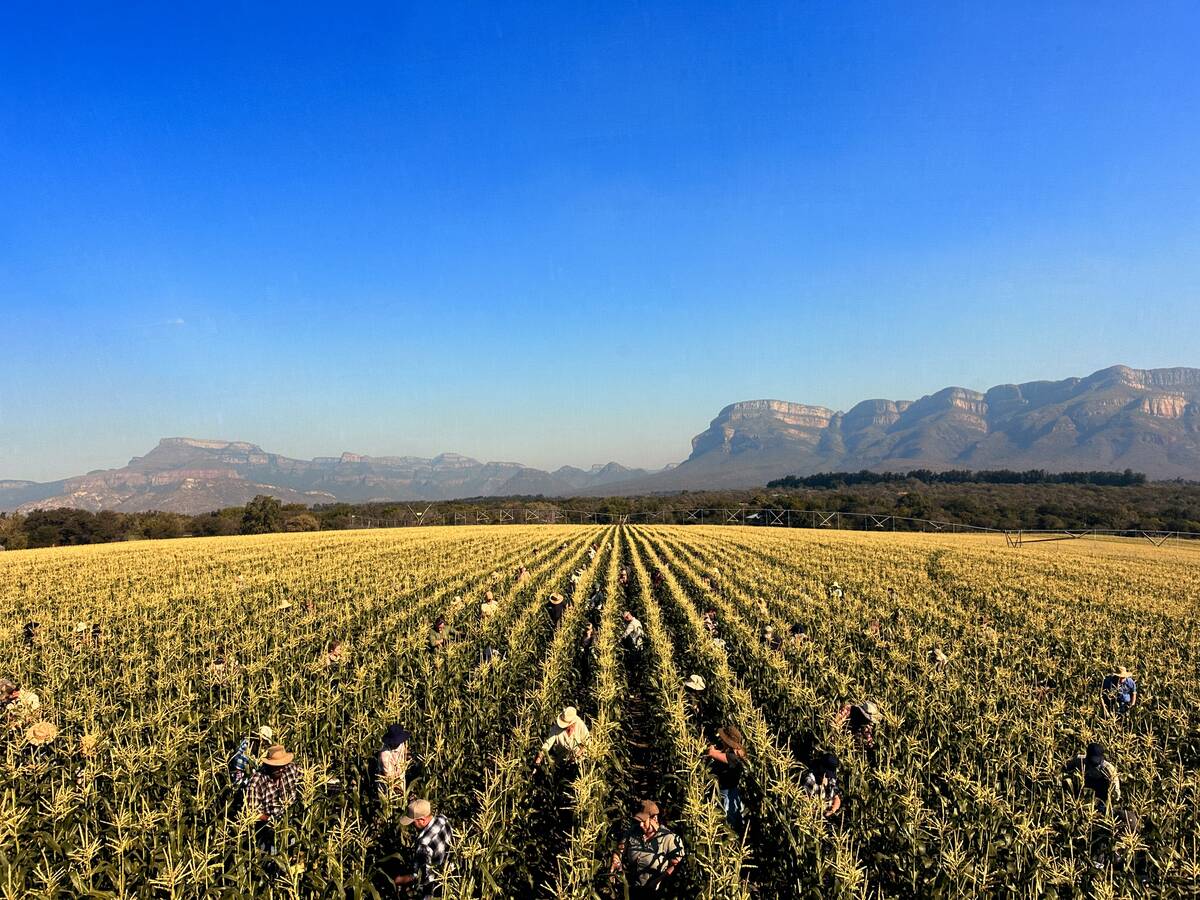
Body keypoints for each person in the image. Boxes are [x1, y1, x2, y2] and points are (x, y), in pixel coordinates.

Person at [610, 800, 687, 898]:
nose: (640, 825)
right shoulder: (632, 832)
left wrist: (658, 880)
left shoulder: (669, 838)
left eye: (644, 821)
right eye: (639, 821)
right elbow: (619, 851)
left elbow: (675, 866)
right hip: (632, 889)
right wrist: (615, 861)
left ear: (654, 818)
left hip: (656, 892)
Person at [394, 798, 453, 899]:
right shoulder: (443, 819)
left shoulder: (423, 844)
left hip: (434, 890)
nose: (412, 826)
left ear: (422, 819)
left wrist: (400, 880)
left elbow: (421, 877)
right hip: (451, 877)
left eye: (413, 822)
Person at [247, 744, 302, 852]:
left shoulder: (291, 768)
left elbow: (308, 779)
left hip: (291, 828)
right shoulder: (257, 781)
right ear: (268, 765)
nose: (280, 769)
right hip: (269, 831)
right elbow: (252, 812)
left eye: (282, 765)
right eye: (276, 766)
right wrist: (271, 820)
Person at [706, 725, 747, 831]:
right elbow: (720, 753)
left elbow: (712, 753)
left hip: (727, 796)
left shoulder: (731, 757)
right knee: (737, 821)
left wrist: (711, 746)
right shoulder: (734, 754)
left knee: (729, 825)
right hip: (733, 792)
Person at [1064, 743, 1121, 814]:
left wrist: (1112, 802)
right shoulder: (1079, 760)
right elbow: (1066, 768)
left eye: (1096, 763)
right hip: (1083, 792)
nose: (1093, 764)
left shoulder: (1109, 769)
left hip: (1101, 795)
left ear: (1102, 758)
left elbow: (1116, 790)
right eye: (1091, 761)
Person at [533, 706, 590, 770]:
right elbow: (547, 744)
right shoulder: (556, 729)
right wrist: (540, 757)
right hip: (562, 764)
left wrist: (576, 756)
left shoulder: (580, 725)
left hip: (580, 763)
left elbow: (587, 743)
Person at [373, 724, 411, 799]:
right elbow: (389, 777)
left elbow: (405, 751)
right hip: (388, 785)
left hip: (400, 778)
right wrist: (399, 791)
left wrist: (408, 756)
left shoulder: (401, 743)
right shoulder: (385, 755)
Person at [801, 752, 843, 820]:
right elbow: (804, 803)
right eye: (824, 774)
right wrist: (818, 814)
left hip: (828, 818)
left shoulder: (831, 780)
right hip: (813, 819)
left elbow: (837, 797)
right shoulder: (810, 780)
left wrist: (833, 809)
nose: (826, 777)